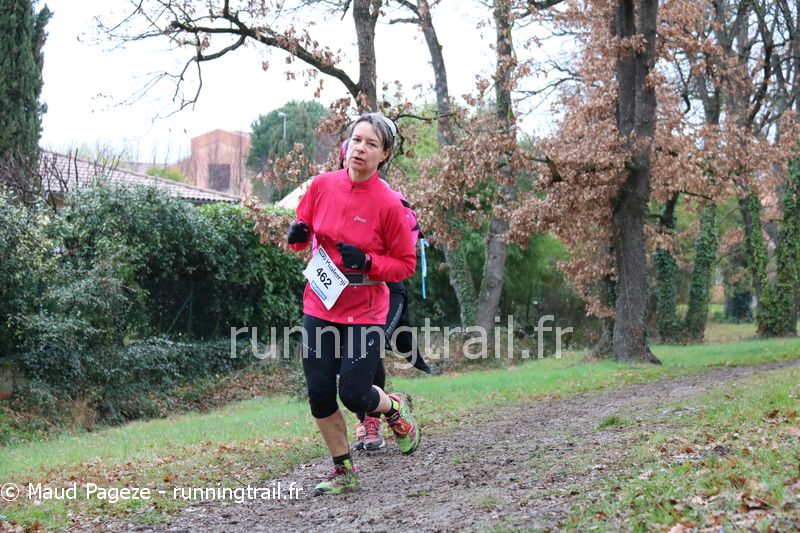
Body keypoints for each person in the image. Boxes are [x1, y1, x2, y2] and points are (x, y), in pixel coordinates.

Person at [287, 112, 421, 496]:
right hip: (320, 301)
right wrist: (297, 235)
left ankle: (394, 408)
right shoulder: (321, 186)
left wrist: (367, 261)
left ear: (385, 154)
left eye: (371, 144)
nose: (360, 149)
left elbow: (405, 265)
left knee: (354, 394)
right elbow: (303, 233)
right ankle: (343, 470)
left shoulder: (389, 205)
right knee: (319, 392)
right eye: (357, 140)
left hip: (364, 308)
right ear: (347, 145)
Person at [334, 139, 432, 452]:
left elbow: (405, 256)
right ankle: (385, 407)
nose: (354, 159)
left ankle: (373, 420)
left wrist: (367, 259)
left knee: (370, 349)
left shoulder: (389, 200)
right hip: (347, 296)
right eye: (347, 156)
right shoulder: (335, 198)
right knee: (348, 359)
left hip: (387, 293)